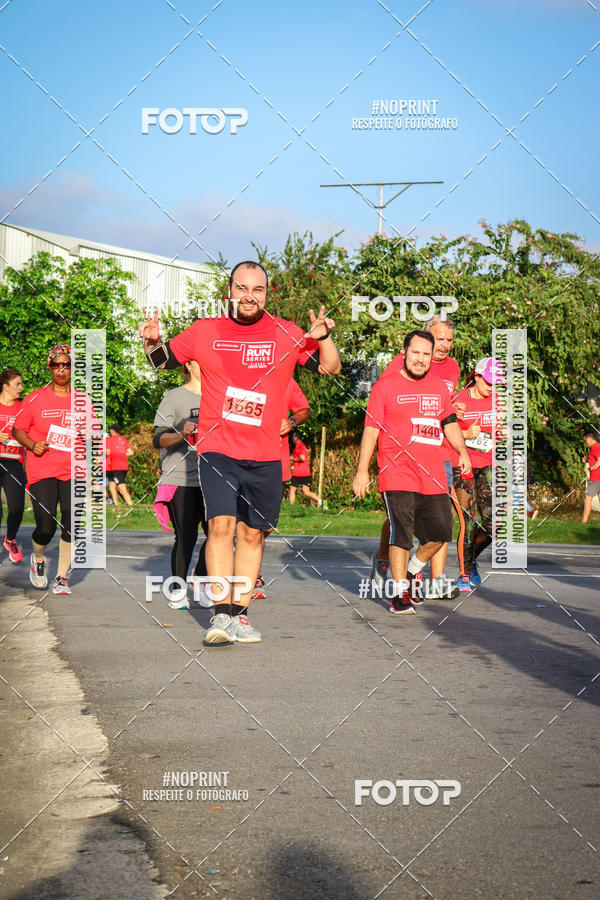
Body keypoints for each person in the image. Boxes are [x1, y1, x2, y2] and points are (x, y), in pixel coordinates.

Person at [139, 260, 340, 644]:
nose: (249, 296)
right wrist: (151, 343)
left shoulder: (285, 332)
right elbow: (162, 361)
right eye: (242, 288)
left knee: (252, 535)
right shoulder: (205, 330)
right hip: (218, 449)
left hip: (266, 453)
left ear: (267, 294)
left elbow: (330, 368)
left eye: (258, 290)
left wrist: (324, 336)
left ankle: (240, 615)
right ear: (229, 291)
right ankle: (220, 616)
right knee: (220, 526)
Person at [353, 330, 471, 614]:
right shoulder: (385, 386)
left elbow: (449, 422)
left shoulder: (438, 387)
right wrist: (361, 471)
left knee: (440, 534)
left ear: (432, 357)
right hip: (397, 472)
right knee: (401, 532)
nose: (420, 359)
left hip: (432, 474)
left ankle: (411, 571)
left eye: (426, 354)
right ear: (404, 353)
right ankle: (399, 594)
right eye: (415, 353)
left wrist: (463, 451)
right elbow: (371, 431)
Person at [13, 345, 97, 595]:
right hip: (43, 470)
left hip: (75, 471)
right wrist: (32, 445)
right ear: (49, 368)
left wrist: (89, 434)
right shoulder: (35, 398)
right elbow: (18, 429)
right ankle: (38, 558)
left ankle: (61, 577)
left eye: (66, 364)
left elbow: (94, 434)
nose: (61, 369)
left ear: (72, 367)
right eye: (56, 365)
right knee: (46, 525)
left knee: (72, 522)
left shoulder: (83, 400)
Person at [153, 361, 211, 610]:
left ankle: (200, 578)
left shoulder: (219, 394)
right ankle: (177, 590)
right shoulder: (174, 397)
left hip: (213, 477)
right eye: (199, 359)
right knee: (186, 535)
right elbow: (158, 439)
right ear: (188, 364)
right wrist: (181, 434)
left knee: (219, 534)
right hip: (182, 477)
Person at [253, 377, 310, 601]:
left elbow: (304, 409)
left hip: (275, 465)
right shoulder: (238, 371)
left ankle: (248, 569)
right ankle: (251, 576)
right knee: (235, 522)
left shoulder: (284, 378)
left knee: (263, 526)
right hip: (239, 458)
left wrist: (292, 421)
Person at [450, 357, 504, 591]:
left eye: (497, 383)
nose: (492, 387)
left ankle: (470, 560)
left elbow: (500, 434)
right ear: (478, 376)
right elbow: (443, 435)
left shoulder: (498, 401)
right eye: (489, 381)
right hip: (463, 465)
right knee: (469, 520)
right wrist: (467, 434)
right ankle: (463, 574)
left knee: (497, 524)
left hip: (488, 465)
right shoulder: (459, 401)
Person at [0, 367, 26, 563]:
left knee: (17, 508)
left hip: (14, 462)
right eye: (17, 384)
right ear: (5, 385)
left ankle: (10, 539)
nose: (21, 387)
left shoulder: (24, 409)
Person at [105, 424, 134, 506]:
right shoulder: (123, 440)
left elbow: (108, 452)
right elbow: (131, 453)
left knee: (121, 487)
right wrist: (121, 454)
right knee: (112, 485)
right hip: (124, 466)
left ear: (112, 430)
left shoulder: (109, 440)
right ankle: (116, 504)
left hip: (116, 466)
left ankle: (130, 503)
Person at [289, 431, 321, 505]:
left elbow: (302, 458)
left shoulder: (299, 446)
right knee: (306, 492)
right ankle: (321, 502)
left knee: (292, 490)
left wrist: (291, 458)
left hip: (298, 473)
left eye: (293, 437)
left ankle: (291, 509)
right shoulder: (302, 446)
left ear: (296, 438)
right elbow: (300, 459)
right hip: (306, 473)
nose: (292, 438)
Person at [582, 433, 600, 523]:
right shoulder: (597, 447)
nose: (586, 443)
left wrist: (590, 468)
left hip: (596, 478)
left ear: (589, 439)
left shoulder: (595, 447)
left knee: (588, 499)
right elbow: (596, 459)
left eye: (585, 441)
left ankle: (583, 522)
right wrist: (587, 460)